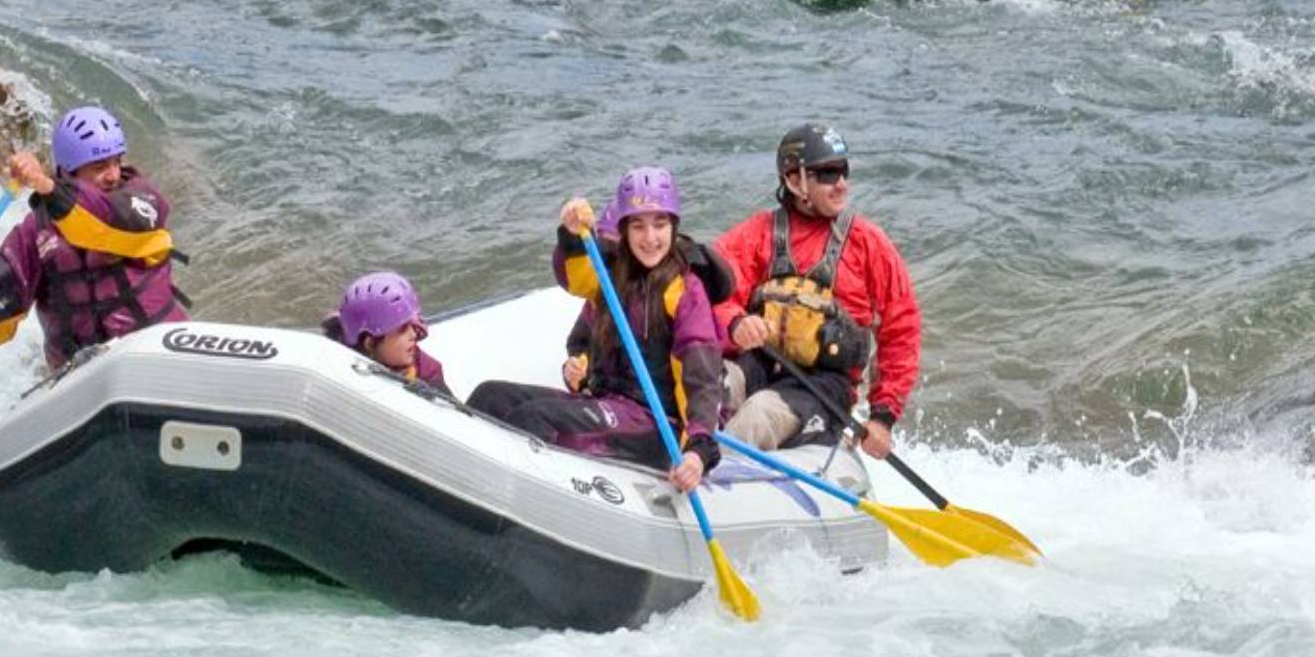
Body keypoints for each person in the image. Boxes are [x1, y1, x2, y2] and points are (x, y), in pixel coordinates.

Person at [0, 106, 187, 381]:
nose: (112, 175)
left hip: (152, 352)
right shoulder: (35, 234)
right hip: (81, 378)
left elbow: (101, 225)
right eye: (99, 166)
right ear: (68, 172)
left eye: (116, 162)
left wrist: (48, 188)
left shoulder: (140, 202)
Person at [465, 168, 727, 492]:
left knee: (535, 418)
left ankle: (509, 503)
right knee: (489, 397)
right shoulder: (611, 278)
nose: (650, 238)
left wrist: (699, 450)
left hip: (657, 425)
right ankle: (464, 487)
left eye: (660, 225)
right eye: (638, 226)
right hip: (608, 403)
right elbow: (574, 275)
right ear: (624, 230)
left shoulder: (685, 291)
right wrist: (573, 231)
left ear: (673, 227)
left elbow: (700, 374)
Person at [711, 124, 921, 458]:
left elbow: (902, 328)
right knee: (706, 383)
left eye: (843, 171)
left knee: (757, 416)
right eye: (827, 174)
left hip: (823, 389)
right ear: (795, 180)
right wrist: (735, 322)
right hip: (759, 364)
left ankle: (707, 480)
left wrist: (883, 417)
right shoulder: (756, 234)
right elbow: (710, 292)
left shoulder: (868, 243)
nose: (841, 184)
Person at [319, 271, 450, 397]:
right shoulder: (332, 357)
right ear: (370, 344)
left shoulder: (428, 373)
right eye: (403, 329)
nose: (413, 334)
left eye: (412, 325)